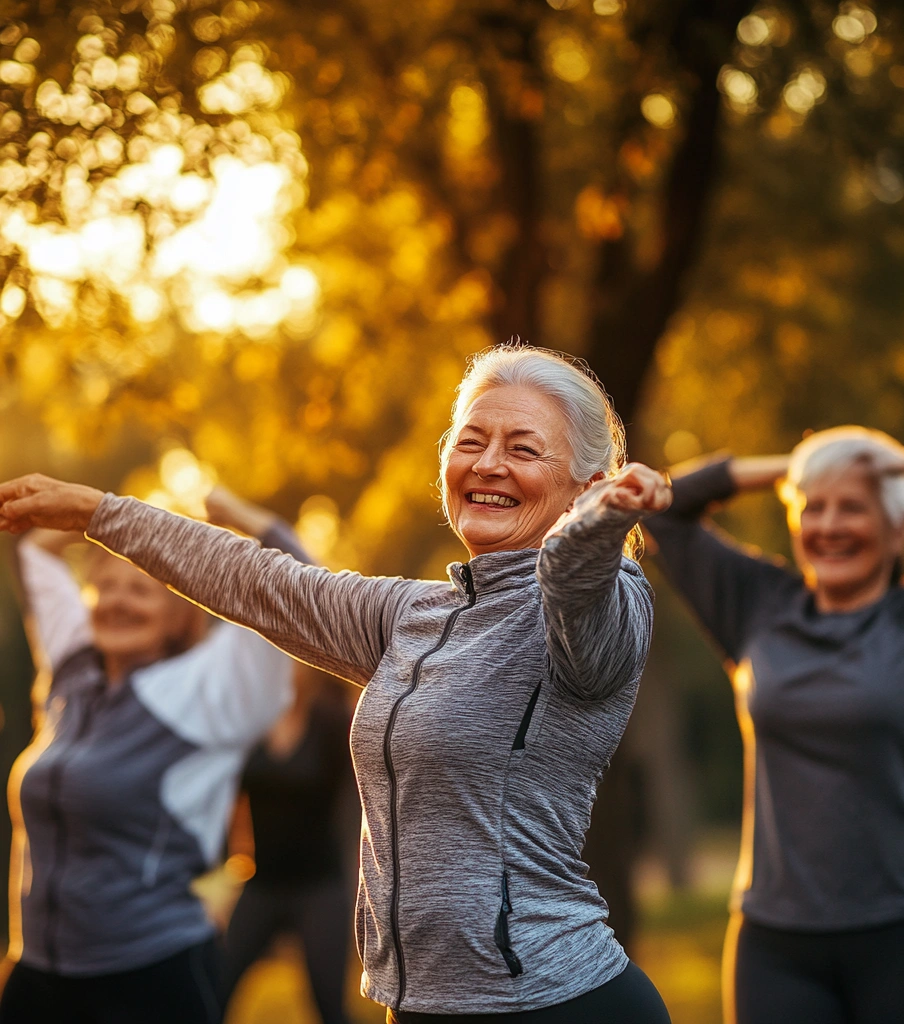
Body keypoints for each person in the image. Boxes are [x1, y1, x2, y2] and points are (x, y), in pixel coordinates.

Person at [0, 345, 673, 1024]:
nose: (488, 463)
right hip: (422, 1005)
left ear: (587, 486)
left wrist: (595, 525)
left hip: (558, 1001)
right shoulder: (414, 616)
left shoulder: (607, 605)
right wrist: (98, 513)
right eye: (471, 441)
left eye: (523, 449)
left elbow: (575, 580)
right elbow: (261, 580)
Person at [645, 426, 904, 1024]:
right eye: (813, 506)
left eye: (852, 507)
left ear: (900, 527)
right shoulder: (757, 604)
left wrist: (901, 462)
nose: (828, 525)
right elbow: (662, 509)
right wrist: (798, 465)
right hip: (775, 942)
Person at [0, 489, 311, 1024]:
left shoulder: (207, 692)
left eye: (141, 588)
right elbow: (35, 553)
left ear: (181, 611)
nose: (118, 601)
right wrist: (98, 512)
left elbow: (297, 594)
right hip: (36, 974)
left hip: (147, 978)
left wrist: (242, 518)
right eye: (106, 586)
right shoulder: (74, 672)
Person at [223, 662, 358, 1024]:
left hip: (320, 886)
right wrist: (228, 865)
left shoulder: (332, 721)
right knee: (213, 992)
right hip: (262, 884)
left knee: (330, 1009)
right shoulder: (249, 726)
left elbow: (357, 806)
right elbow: (227, 801)